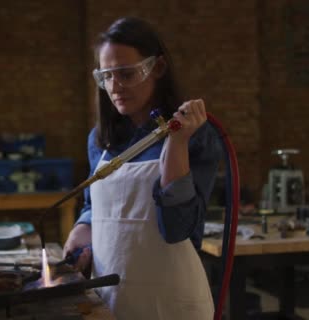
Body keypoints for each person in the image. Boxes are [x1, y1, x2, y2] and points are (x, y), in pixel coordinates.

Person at [62, 17, 222, 319]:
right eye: (106, 76)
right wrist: (82, 230)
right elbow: (94, 207)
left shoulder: (195, 134)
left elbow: (177, 229)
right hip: (109, 299)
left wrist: (176, 144)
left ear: (157, 68)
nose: (115, 87)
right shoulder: (101, 141)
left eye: (126, 74)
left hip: (172, 303)